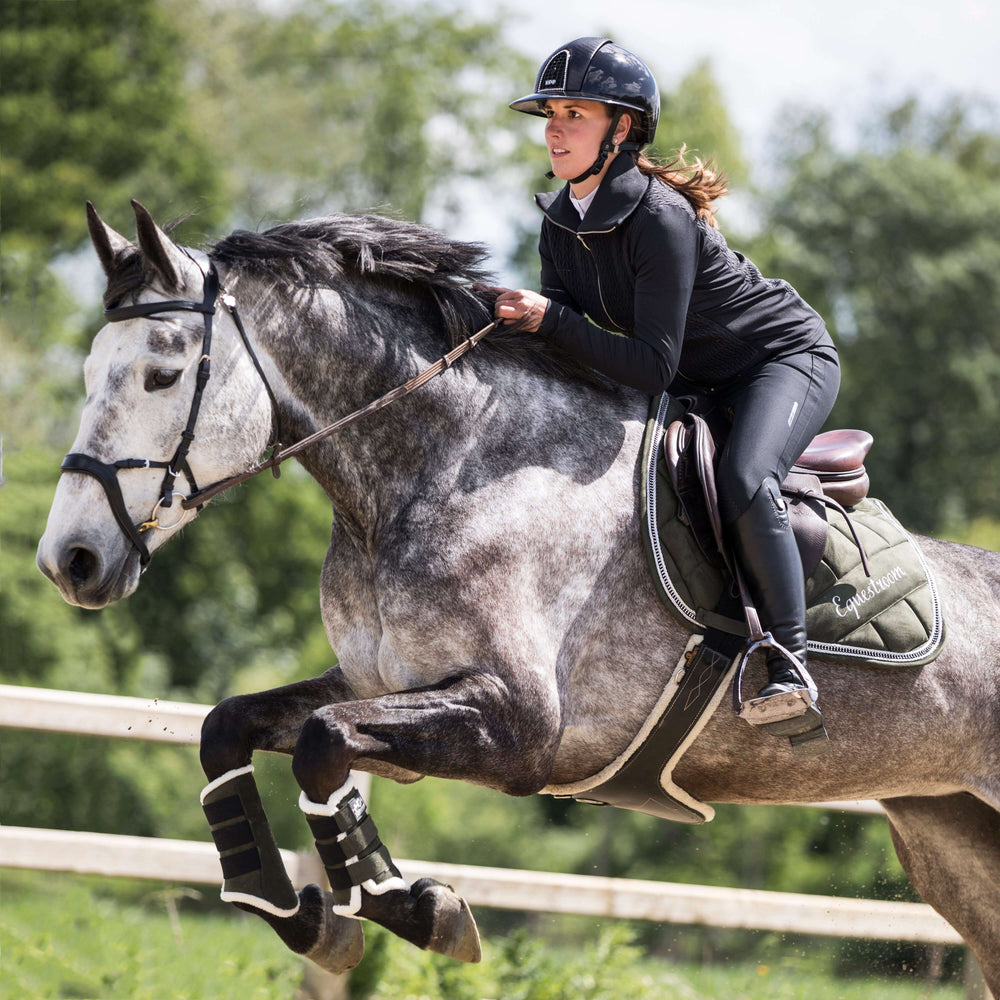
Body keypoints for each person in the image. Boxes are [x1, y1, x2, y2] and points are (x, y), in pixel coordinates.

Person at [494, 37, 841, 745]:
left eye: (575, 114)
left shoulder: (660, 217)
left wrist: (550, 318)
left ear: (621, 130)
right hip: (695, 378)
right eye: (550, 114)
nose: (555, 128)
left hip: (779, 359)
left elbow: (648, 364)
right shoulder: (560, 219)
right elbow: (564, 343)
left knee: (744, 477)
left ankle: (790, 661)